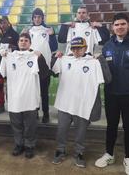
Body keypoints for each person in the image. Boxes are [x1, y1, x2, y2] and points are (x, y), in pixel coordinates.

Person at [94, 13, 129, 175]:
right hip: (112, 94)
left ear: (128, 25)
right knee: (111, 126)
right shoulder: (107, 47)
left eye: (122, 24)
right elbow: (103, 70)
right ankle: (109, 154)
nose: (119, 27)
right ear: (112, 27)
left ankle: (128, 158)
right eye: (117, 24)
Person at [51, 37, 111, 168]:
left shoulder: (93, 62)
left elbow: (107, 79)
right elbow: (53, 72)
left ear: (85, 48)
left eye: (79, 48)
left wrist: (101, 61)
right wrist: (55, 57)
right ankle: (60, 150)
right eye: (74, 48)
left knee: (81, 132)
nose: (76, 51)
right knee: (61, 130)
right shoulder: (65, 59)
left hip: (83, 104)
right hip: (65, 103)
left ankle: (79, 152)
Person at [0, 33, 49, 159]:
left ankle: (29, 146)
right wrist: (3, 56)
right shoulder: (9, 57)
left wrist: (40, 57)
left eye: (26, 40)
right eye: (21, 40)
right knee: (16, 124)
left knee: (30, 125)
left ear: (30, 43)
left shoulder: (35, 57)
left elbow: (44, 74)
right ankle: (19, 144)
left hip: (30, 98)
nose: (23, 42)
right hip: (14, 98)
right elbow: (2, 75)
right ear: (18, 43)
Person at [22, 8, 58, 123]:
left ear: (42, 18)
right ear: (32, 18)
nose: (37, 19)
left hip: (44, 67)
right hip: (31, 67)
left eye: (39, 17)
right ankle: (35, 112)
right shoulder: (29, 31)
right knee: (33, 91)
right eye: (35, 17)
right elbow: (23, 47)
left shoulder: (48, 30)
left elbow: (54, 47)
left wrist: (52, 36)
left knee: (44, 92)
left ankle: (46, 113)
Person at [0, 16, 19, 114]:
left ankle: (13, 104)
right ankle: (1, 105)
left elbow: (19, 48)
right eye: (1, 23)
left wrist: (12, 47)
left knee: (12, 84)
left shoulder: (15, 34)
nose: (2, 25)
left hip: (11, 63)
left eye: (4, 23)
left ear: (8, 23)